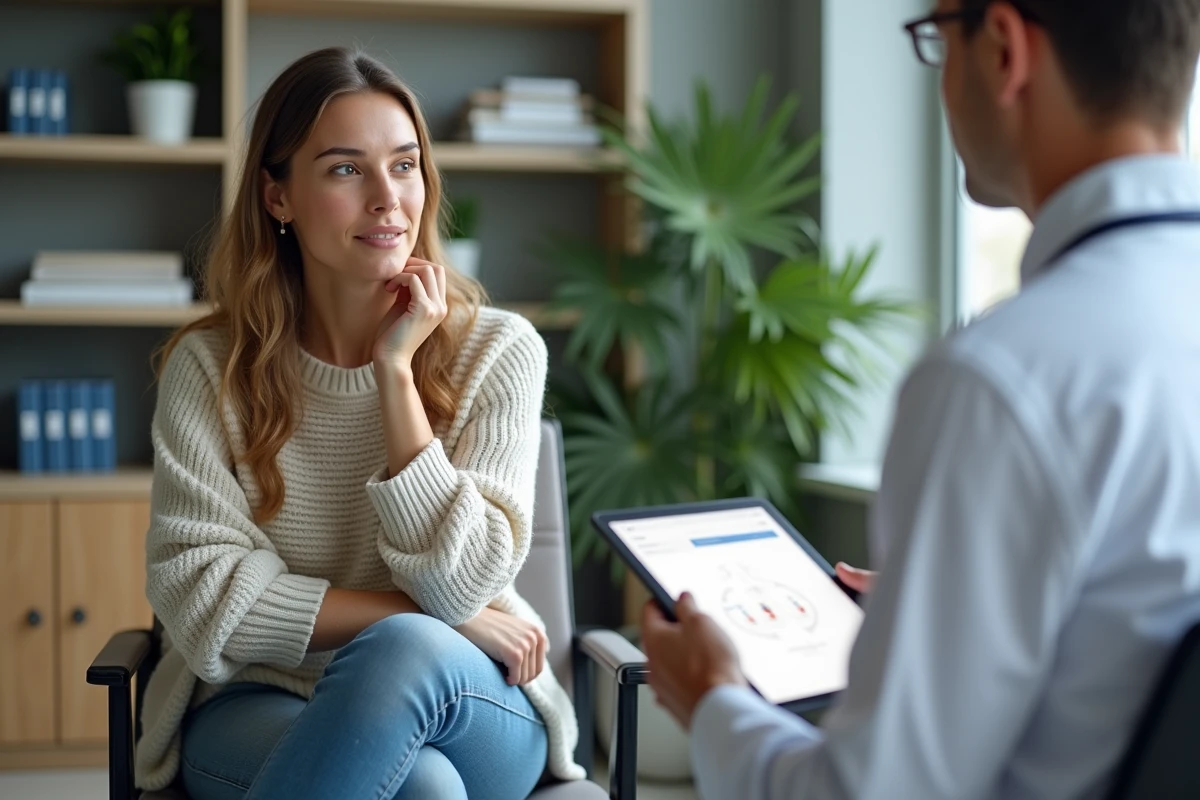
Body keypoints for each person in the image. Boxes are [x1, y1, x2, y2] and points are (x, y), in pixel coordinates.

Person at [641, 1, 1200, 797]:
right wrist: (937, 603)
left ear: (1002, 49)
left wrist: (713, 699)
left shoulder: (1001, 381)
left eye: (938, 38)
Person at [134, 47, 586, 800]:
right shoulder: (211, 367)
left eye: (404, 166)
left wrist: (396, 377)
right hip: (261, 698)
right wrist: (431, 615)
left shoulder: (498, 351)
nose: (388, 199)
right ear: (278, 197)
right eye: (347, 169)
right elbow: (204, 596)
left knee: (408, 649)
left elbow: (471, 578)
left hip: (471, 696)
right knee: (423, 789)